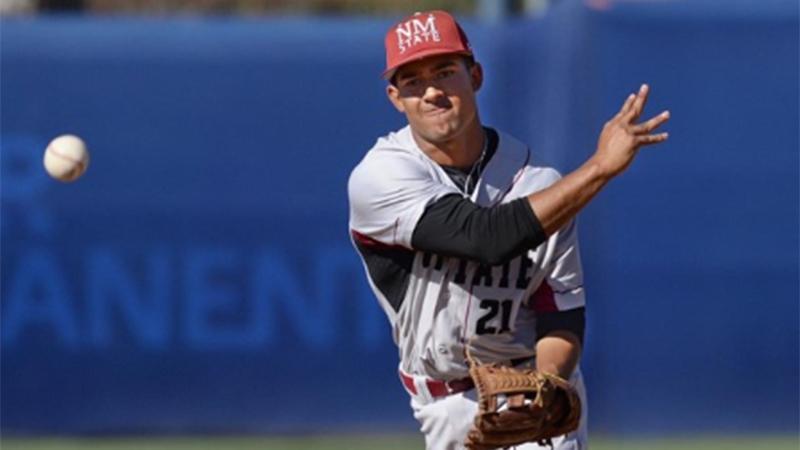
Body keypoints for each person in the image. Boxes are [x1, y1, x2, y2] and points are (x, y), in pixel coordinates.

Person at [347, 10, 669, 450]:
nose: (432, 92)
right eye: (413, 81)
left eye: (445, 72)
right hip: (441, 405)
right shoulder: (380, 176)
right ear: (394, 97)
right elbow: (486, 238)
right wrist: (598, 169)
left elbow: (561, 308)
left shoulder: (540, 184)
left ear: (475, 76)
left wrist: (549, 386)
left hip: (534, 390)